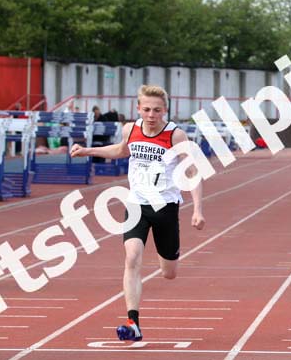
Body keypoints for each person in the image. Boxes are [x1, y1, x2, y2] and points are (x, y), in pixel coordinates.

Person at [70, 85, 205, 342]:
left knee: (169, 272)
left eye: (156, 110)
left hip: (165, 207)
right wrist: (88, 151)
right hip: (136, 205)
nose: (151, 114)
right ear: (138, 109)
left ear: (165, 110)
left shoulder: (175, 136)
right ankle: (134, 323)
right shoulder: (130, 129)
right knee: (131, 258)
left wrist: (198, 209)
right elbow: (122, 150)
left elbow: (192, 173)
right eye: (146, 109)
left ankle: (168, 257)